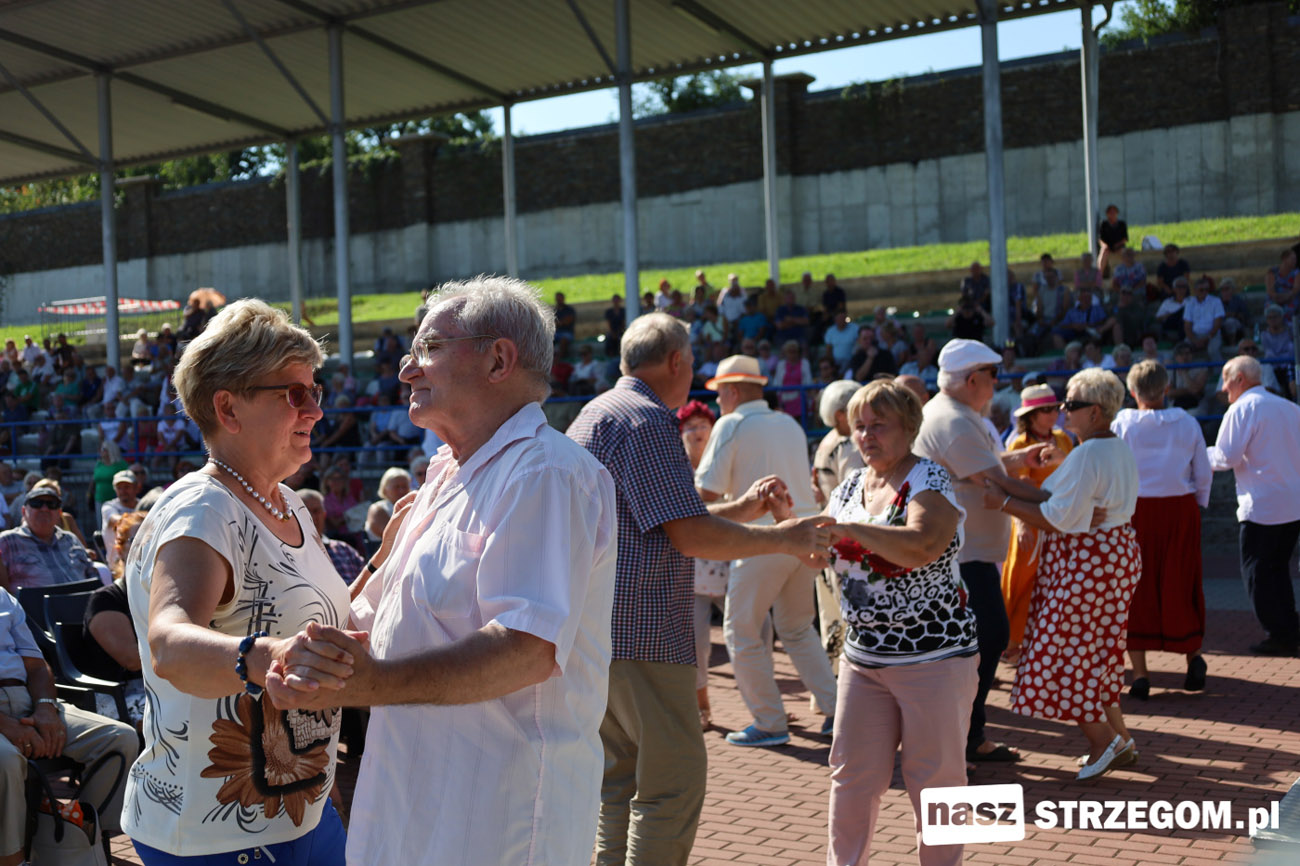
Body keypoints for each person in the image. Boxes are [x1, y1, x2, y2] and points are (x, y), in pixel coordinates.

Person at [265, 277, 619, 866]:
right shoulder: (445, 475)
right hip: (414, 804)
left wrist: (372, 684)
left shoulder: (545, 474)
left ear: (499, 359)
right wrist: (302, 662)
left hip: (495, 821)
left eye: (428, 348)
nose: (407, 370)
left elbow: (526, 648)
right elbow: (374, 622)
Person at [566, 313, 834, 866]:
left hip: (595, 629)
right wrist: (784, 536)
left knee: (619, 781)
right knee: (671, 786)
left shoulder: (598, 412)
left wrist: (746, 510)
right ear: (676, 362)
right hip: (643, 633)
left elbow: (666, 517)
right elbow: (687, 533)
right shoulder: (647, 420)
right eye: (691, 364)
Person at [122, 299, 365, 865]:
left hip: (301, 810)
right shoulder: (203, 510)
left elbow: (315, 622)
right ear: (228, 407)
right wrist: (269, 657)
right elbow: (168, 643)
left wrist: (385, 561)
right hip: (218, 834)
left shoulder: (287, 504)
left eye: (315, 391)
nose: (316, 411)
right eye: (294, 394)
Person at [823, 380, 979, 866]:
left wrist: (849, 530)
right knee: (851, 776)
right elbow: (820, 551)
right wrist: (788, 521)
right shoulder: (850, 486)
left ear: (909, 427)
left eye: (879, 425)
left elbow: (921, 545)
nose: (866, 436)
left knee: (937, 783)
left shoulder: (930, 479)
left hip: (933, 658)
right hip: (865, 658)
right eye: (859, 427)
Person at [912, 339, 1063, 765]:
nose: (998, 383)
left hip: (966, 553)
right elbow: (996, 481)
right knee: (984, 638)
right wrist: (1065, 502)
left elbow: (987, 469)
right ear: (974, 379)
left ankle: (966, 735)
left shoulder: (957, 415)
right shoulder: (953, 420)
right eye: (993, 376)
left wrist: (1018, 461)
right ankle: (961, 736)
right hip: (961, 556)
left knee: (980, 641)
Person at [986, 369, 1140, 780]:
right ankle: (1121, 739)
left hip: (1089, 562)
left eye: (1070, 405)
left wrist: (1002, 502)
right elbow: (1052, 497)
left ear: (1095, 411)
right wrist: (1004, 485)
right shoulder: (1112, 447)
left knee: (1063, 652)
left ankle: (1104, 741)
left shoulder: (1089, 453)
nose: (1062, 412)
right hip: (1111, 556)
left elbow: (1055, 516)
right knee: (1097, 652)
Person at [695, 355, 839, 746]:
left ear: (732, 391)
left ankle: (770, 722)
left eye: (719, 393)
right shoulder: (789, 422)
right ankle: (836, 710)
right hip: (805, 535)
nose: (717, 401)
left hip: (764, 540)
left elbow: (705, 493)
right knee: (797, 626)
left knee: (741, 631)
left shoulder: (732, 424)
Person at [0, 585, 139, 866]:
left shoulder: (3, 598)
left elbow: (37, 666)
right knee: (6, 760)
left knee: (119, 738)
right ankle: (12, 859)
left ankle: (76, 837)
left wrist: (45, 708)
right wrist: (7, 725)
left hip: (27, 697)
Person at [1112, 360, 1212, 697]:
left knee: (1134, 587)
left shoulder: (1123, 423)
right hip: (1179, 508)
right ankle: (1193, 655)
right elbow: (1202, 471)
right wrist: (1197, 503)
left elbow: (1114, 469)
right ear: (1167, 388)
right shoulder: (1187, 422)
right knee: (1181, 581)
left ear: (1132, 391)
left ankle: (1140, 674)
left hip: (1136, 510)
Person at [1207, 355, 1300, 656]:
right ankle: (1289, 629)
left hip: (1262, 506)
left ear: (1240, 379)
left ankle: (1280, 634)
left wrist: (1196, 455)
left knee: (1258, 572)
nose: (1223, 388)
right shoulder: (1289, 407)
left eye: (1226, 380)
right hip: (1292, 503)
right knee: (1278, 570)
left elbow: (1226, 457)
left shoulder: (1242, 408)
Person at [999, 383, 1074, 664]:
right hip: (1030, 522)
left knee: (1054, 584)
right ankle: (1009, 644)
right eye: (1046, 409)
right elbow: (1013, 487)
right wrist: (1021, 524)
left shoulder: (1063, 439)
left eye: (1055, 408)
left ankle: (1042, 645)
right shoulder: (1019, 445)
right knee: (1019, 583)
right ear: (1031, 416)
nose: (1053, 413)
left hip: (1058, 523)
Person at [676, 400, 730, 729]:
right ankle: (703, 706)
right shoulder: (676, 468)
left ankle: (769, 709)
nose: (697, 432)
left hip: (729, 568)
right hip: (693, 575)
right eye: (690, 426)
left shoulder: (724, 461)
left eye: (703, 425)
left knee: (758, 633)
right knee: (698, 645)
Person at [810, 380, 863, 664]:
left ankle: (836, 677)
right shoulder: (848, 445)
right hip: (845, 538)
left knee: (832, 613)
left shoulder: (828, 441)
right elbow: (855, 493)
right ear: (841, 414)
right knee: (849, 613)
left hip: (828, 532)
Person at [81, 511, 148, 725]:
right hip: (119, 695)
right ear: (120, 550)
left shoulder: (169, 596)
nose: (147, 547)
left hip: (165, 687)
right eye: (137, 541)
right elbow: (133, 660)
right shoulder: (105, 600)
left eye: (155, 539)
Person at [0, 485, 100, 591]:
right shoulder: (7, 541)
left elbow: (92, 574)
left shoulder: (70, 539)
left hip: (82, 599)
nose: (44, 509)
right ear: (23, 511)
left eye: (52, 504)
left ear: (59, 513)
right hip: (34, 601)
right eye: (36, 503)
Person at [298, 488, 367, 585]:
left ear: (324, 514)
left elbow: (369, 580)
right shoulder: (291, 555)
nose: (312, 517)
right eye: (305, 512)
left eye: (316, 511)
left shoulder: (344, 549)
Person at [100, 468, 139, 571]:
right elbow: (117, 520)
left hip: (141, 565)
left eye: (127, 487)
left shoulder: (143, 505)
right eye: (119, 488)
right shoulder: (108, 506)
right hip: (117, 567)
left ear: (136, 488)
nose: (123, 491)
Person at [1183, 275, 1225, 360]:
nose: (1204, 292)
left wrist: (1207, 338)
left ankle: (1218, 368)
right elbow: (1187, 326)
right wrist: (1194, 340)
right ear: (1195, 290)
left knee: (1213, 350)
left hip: (1213, 335)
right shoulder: (1189, 303)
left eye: (1207, 289)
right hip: (1194, 335)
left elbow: (1217, 324)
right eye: (1201, 290)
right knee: (1184, 350)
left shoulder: (1216, 301)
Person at [773, 339, 813, 419]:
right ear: (786, 353)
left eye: (794, 351)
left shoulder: (805, 363)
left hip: (800, 399)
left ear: (798, 352)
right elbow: (776, 383)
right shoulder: (781, 364)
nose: (792, 354)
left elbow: (808, 382)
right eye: (790, 352)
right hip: (784, 400)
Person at [1097, 205, 1128, 275]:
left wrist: (1118, 245)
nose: (1112, 214)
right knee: (1103, 252)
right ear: (1107, 214)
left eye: (1114, 212)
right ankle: (1099, 274)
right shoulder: (1104, 224)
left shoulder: (1122, 224)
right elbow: (1100, 239)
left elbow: (1125, 239)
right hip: (1107, 247)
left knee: (1126, 254)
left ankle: (1127, 273)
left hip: (1119, 247)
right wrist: (1104, 245)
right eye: (1110, 213)